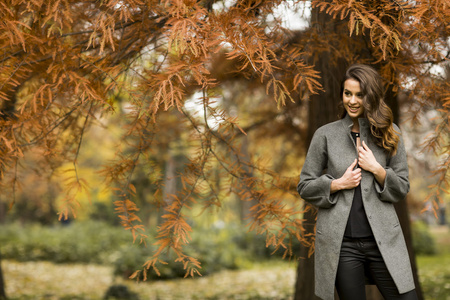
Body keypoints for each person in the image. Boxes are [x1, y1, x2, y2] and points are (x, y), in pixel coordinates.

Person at [297, 64, 418, 300]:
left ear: (370, 96)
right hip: (342, 246)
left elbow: (402, 186)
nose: (352, 101)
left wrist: (377, 169)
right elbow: (304, 186)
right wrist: (337, 184)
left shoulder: (391, 133)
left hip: (384, 241)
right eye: (347, 93)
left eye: (359, 95)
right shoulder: (325, 134)